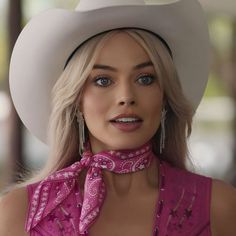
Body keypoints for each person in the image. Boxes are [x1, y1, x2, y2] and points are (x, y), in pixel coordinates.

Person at [0, 0, 236, 235]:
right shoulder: (18, 213)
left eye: (145, 79)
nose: (126, 97)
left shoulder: (220, 207)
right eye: (103, 80)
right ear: (77, 101)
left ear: (164, 97)